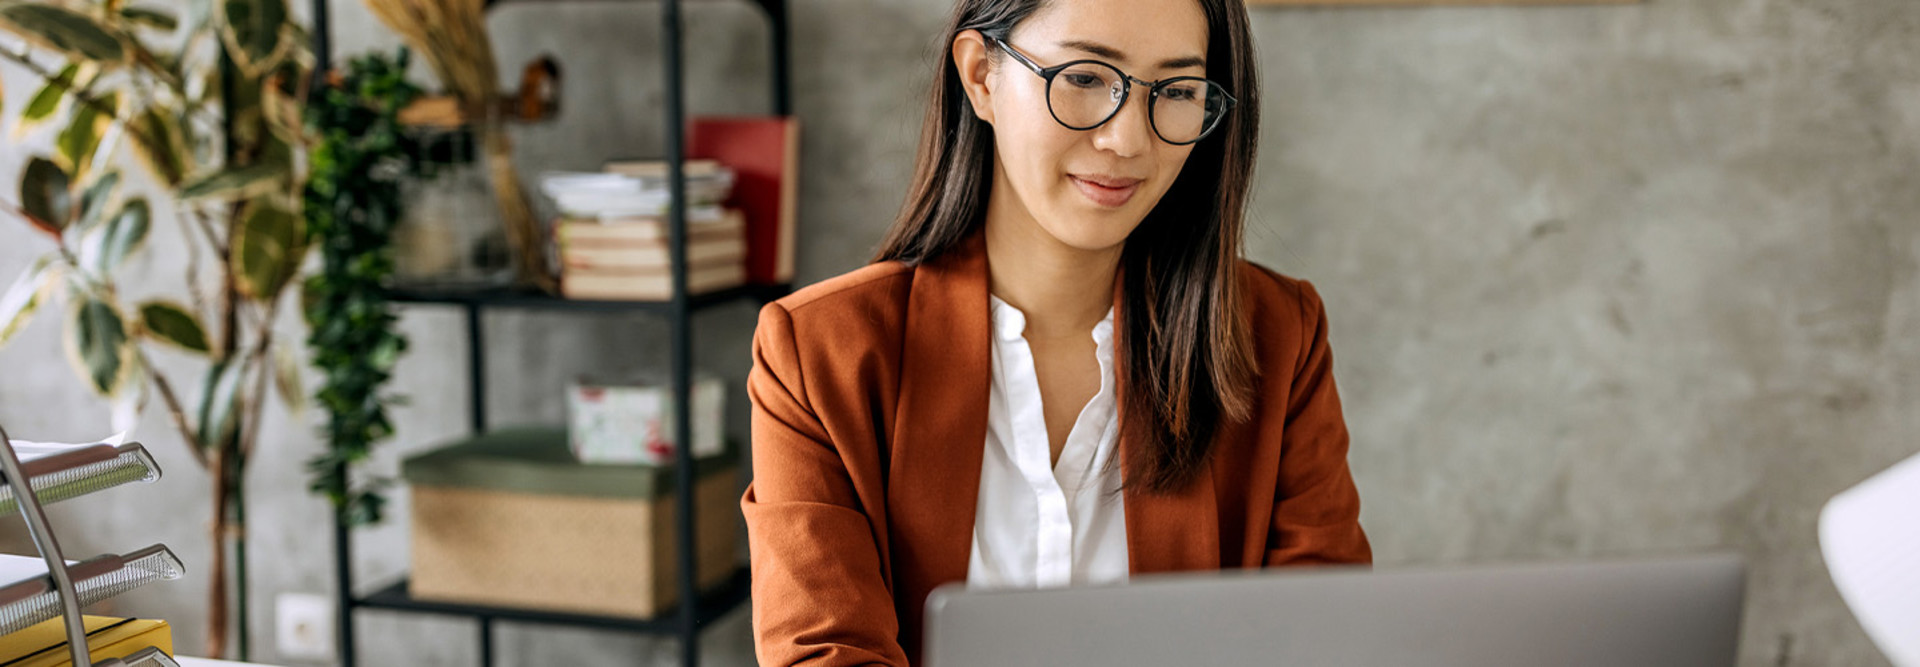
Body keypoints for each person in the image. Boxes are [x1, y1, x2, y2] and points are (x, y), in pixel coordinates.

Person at [741, 0, 1372, 663]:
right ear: (982, 75)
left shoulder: (1277, 338)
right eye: (1085, 76)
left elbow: (1321, 635)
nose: (1127, 140)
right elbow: (824, 650)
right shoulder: (818, 353)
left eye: (1179, 90)